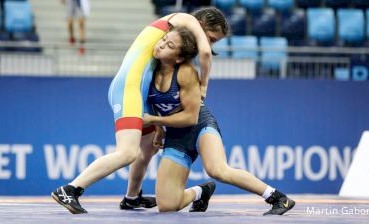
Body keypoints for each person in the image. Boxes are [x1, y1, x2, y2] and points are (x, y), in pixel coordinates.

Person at [51, 7, 229, 214]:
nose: (208, 44)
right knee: (127, 152)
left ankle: (131, 197)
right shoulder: (186, 19)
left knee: (148, 148)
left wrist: (159, 125)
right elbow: (205, 53)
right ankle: (70, 189)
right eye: (211, 37)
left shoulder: (173, 34)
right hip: (129, 89)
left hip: (139, 92)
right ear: (201, 24)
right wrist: (204, 87)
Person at [122, 27, 295, 216]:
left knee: (218, 170)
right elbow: (153, 103)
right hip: (175, 136)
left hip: (200, 126)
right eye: (164, 40)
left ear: (179, 58)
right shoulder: (149, 71)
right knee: (167, 205)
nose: (161, 45)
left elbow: (190, 117)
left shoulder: (185, 72)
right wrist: (158, 128)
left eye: (169, 45)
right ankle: (201, 192)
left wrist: (154, 120)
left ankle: (278, 198)